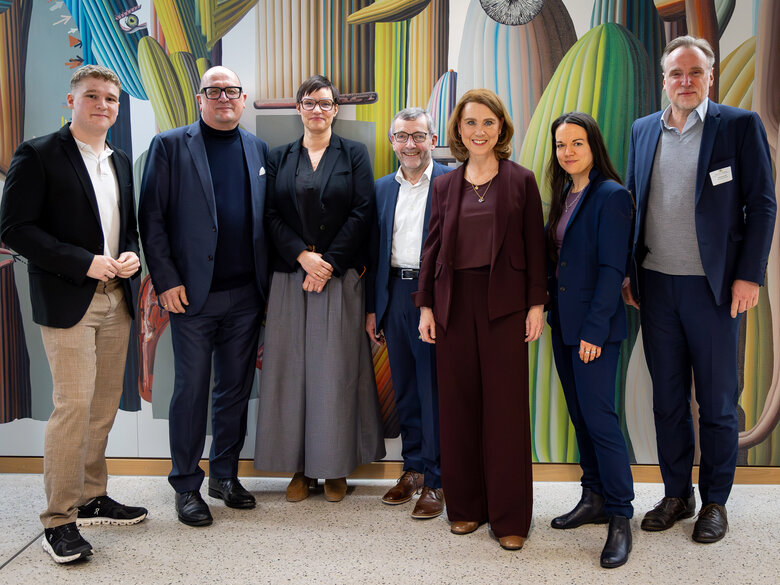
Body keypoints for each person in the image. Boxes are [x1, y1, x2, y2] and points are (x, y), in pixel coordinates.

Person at [623, 36, 776, 543]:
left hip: (715, 291)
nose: (684, 82)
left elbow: (763, 205)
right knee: (666, 399)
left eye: (694, 73)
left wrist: (749, 275)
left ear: (709, 77)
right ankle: (675, 493)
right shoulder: (644, 130)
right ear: (664, 79)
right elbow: (631, 204)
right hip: (657, 288)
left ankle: (715, 501)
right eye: (676, 74)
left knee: (717, 402)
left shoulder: (738, 126)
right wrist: (629, 270)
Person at [0, 65, 147, 563]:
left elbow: (125, 228)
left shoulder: (120, 160)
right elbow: (15, 229)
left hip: (116, 298)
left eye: (110, 98)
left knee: (102, 407)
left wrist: (130, 254)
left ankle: (90, 495)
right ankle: (58, 520)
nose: (102, 104)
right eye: (92, 96)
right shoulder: (38, 154)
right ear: (72, 100)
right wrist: (83, 261)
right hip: (68, 299)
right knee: (72, 407)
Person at [414, 89, 548, 550]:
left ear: (501, 129)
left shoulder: (521, 181)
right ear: (458, 130)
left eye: (488, 123)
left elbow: (536, 248)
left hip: (506, 306)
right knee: (458, 410)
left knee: (505, 413)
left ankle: (510, 518)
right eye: (471, 123)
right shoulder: (444, 184)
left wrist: (536, 305)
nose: (479, 131)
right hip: (453, 304)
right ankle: (467, 508)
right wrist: (426, 306)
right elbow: (430, 250)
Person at [139, 66, 269, 527]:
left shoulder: (256, 148)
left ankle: (225, 477)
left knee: (234, 390)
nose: (223, 98)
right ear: (200, 99)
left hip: (245, 297)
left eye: (231, 91)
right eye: (214, 91)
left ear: (243, 96)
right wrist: (166, 280)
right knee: (191, 391)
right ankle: (186, 486)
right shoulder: (170, 145)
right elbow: (151, 220)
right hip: (190, 297)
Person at [254, 75, 385, 502]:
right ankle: (298, 470)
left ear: (335, 109)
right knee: (290, 374)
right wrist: (302, 256)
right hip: (291, 276)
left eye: (325, 104)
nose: (317, 110)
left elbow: (364, 212)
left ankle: (334, 470)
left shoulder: (355, 154)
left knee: (335, 374)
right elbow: (270, 213)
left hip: (340, 275)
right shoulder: (279, 156)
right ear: (298, 108)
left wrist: (327, 263)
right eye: (309, 103)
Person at [545, 112, 634, 568]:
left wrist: (594, 332)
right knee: (580, 418)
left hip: (594, 331)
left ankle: (621, 516)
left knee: (601, 421)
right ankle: (593, 497)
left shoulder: (611, 196)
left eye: (576, 143)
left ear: (593, 146)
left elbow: (611, 270)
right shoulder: (564, 194)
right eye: (561, 145)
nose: (568, 152)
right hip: (564, 325)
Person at [365, 108, 451, 519]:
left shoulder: (452, 183)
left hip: (432, 294)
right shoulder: (382, 188)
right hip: (394, 293)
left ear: (432, 140)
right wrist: (373, 308)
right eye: (402, 137)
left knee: (433, 388)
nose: (410, 145)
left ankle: (437, 479)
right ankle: (413, 469)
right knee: (405, 389)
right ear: (392, 142)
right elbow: (374, 251)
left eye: (418, 136)